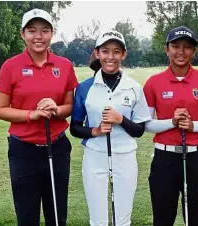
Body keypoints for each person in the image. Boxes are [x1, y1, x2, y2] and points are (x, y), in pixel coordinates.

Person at [0, 8, 78, 226]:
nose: (38, 36)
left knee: (57, 215)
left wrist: (56, 110)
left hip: (57, 147)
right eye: (32, 30)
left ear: (52, 33)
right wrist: (33, 114)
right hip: (24, 151)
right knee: (27, 215)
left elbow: (69, 106)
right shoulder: (10, 66)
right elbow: (0, 109)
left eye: (44, 30)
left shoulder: (65, 66)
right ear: (23, 34)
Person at [143, 26, 198, 226]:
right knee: (163, 218)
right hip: (165, 159)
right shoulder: (154, 82)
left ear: (194, 51)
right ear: (167, 49)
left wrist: (193, 126)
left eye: (187, 47)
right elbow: (146, 124)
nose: (181, 51)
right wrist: (172, 122)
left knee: (195, 218)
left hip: (197, 158)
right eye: (175, 46)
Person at [70, 30, 151, 226]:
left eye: (116, 52)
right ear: (97, 53)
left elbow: (139, 130)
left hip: (125, 156)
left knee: (122, 220)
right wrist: (95, 131)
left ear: (123, 54)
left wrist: (120, 119)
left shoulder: (133, 87)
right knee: (98, 220)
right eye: (105, 51)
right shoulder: (85, 88)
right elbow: (74, 127)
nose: (110, 57)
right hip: (95, 156)